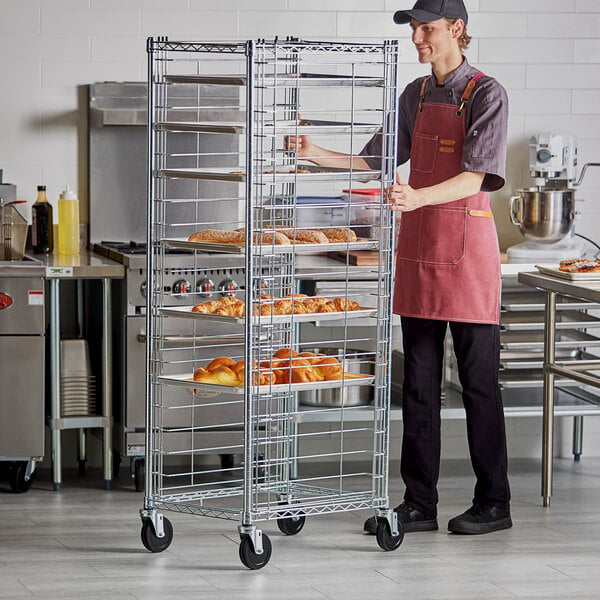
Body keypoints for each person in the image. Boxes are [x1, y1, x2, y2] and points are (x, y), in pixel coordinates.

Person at [287, 0, 512, 535]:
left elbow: (479, 176)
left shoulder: (486, 93)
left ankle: (494, 503)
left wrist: (416, 198)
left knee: (479, 385)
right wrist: (315, 151)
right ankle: (419, 502)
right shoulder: (414, 94)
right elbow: (377, 158)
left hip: (468, 254)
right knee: (418, 384)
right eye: (414, 30)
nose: (418, 39)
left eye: (426, 29)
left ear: (457, 29)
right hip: (418, 253)